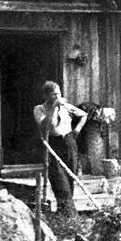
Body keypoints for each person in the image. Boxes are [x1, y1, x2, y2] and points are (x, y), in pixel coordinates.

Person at [33, 81, 88, 214]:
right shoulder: (39, 109)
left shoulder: (65, 107)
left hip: (68, 142)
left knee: (70, 176)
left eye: (59, 93)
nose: (58, 97)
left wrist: (77, 130)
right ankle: (69, 213)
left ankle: (64, 211)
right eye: (54, 94)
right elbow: (44, 126)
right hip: (53, 143)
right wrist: (52, 109)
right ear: (46, 96)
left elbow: (83, 115)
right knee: (58, 178)